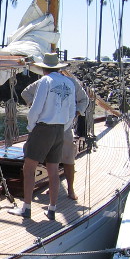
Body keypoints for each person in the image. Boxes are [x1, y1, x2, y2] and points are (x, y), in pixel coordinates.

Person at [9, 53, 75, 220]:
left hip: (43, 128)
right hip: (60, 129)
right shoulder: (69, 83)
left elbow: (36, 107)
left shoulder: (46, 81)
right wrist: (64, 126)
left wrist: (32, 128)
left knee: (29, 168)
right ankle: (52, 209)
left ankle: (27, 207)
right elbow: (71, 110)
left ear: (43, 68)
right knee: (53, 170)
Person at [21, 72, 89, 201]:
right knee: (51, 161)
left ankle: (70, 189)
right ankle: (51, 198)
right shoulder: (43, 81)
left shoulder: (72, 83)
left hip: (64, 125)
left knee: (68, 157)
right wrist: (38, 106)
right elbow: (26, 93)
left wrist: (77, 112)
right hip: (52, 124)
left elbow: (84, 99)